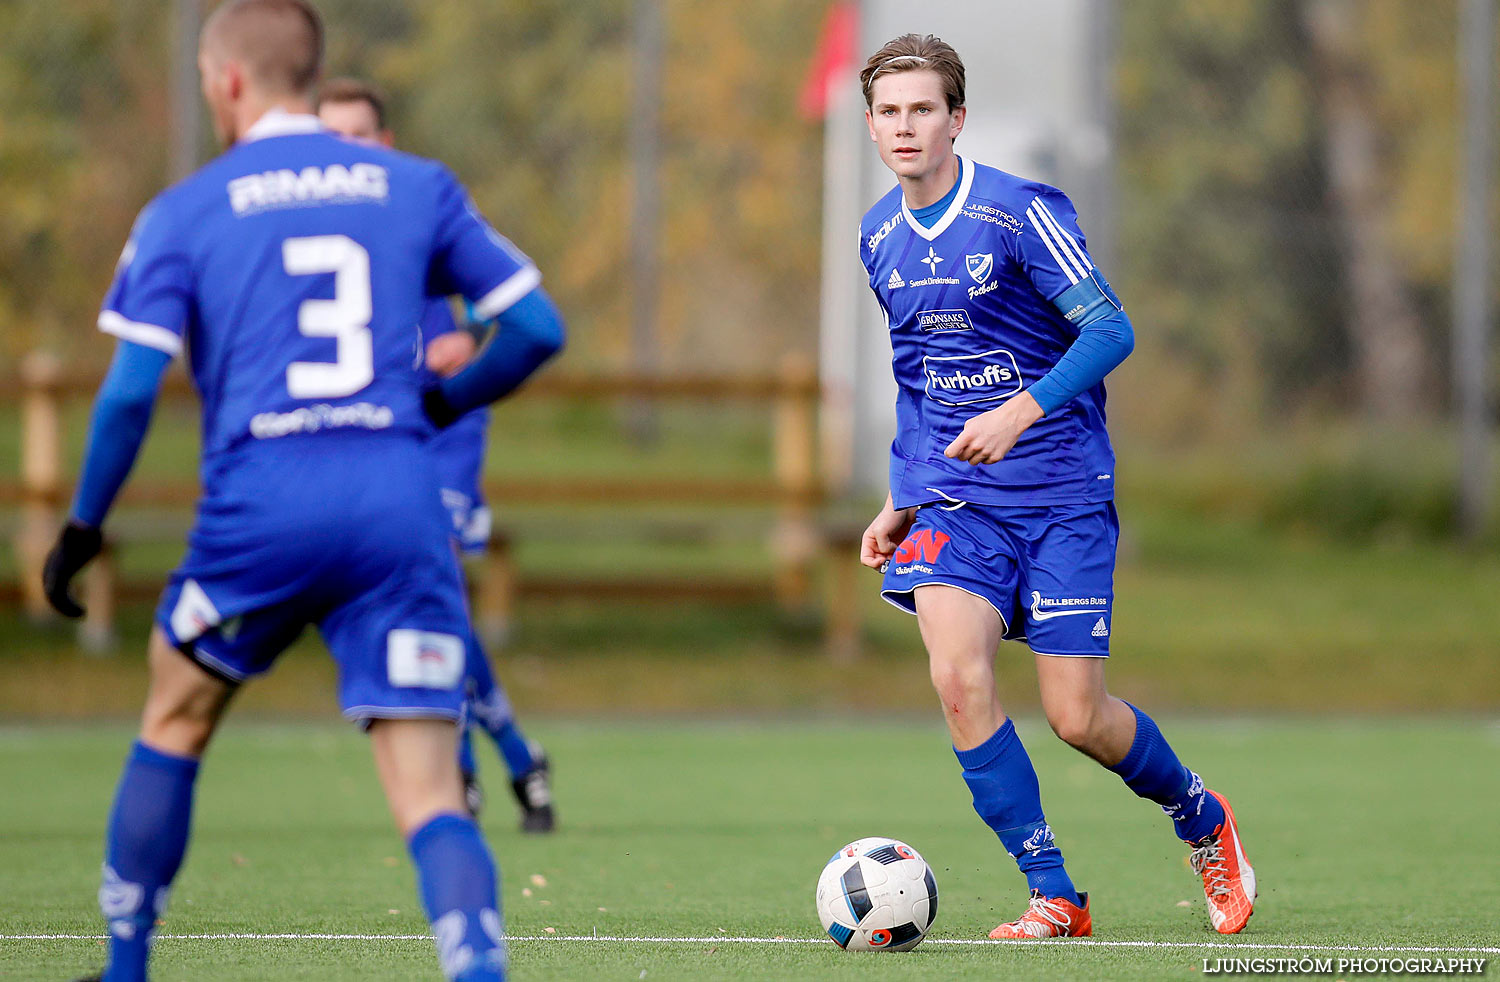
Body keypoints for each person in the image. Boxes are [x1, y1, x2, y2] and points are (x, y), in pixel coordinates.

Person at [40, 2, 564, 980]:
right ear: (311, 76)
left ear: (228, 81)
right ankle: (478, 968)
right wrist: (443, 404)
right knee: (429, 794)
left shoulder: (185, 210)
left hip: (261, 514)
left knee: (176, 714)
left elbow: (125, 398)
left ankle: (124, 967)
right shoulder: (415, 187)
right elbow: (536, 328)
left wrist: (83, 526)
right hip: (396, 513)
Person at [855, 34, 1255, 940]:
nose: (906, 126)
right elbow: (918, 384)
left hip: (1063, 492)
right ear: (872, 126)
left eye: (924, 109)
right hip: (957, 503)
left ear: (957, 119)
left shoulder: (1018, 212)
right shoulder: (879, 236)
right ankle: (1054, 894)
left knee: (1077, 717)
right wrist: (900, 498)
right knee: (957, 677)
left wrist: (1020, 412)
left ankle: (1200, 815)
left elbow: (1110, 330)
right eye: (889, 111)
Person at [316, 77, 555, 834]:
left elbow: (512, 307)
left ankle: (469, 769)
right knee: (428, 605)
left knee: (437, 587)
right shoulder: (309, 230)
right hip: (374, 441)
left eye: (360, 134)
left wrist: (468, 342)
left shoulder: (415, 209)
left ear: (383, 142)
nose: (347, 150)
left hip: (443, 436)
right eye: (333, 137)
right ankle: (513, 755)